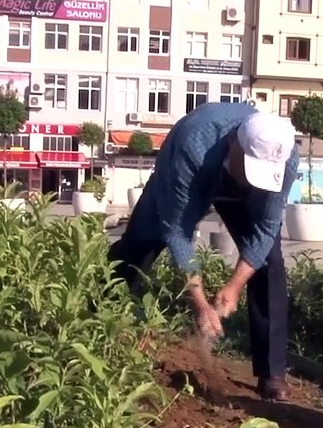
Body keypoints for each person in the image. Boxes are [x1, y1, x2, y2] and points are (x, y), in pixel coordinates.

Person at [107, 103, 300, 401]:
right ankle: (101, 328)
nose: (252, 178)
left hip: (237, 182)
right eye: (249, 169)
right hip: (189, 173)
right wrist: (200, 303)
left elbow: (266, 229)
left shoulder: (284, 154)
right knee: (138, 248)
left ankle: (272, 372)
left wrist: (233, 287)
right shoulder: (193, 143)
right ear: (235, 144)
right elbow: (177, 231)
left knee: (269, 263)